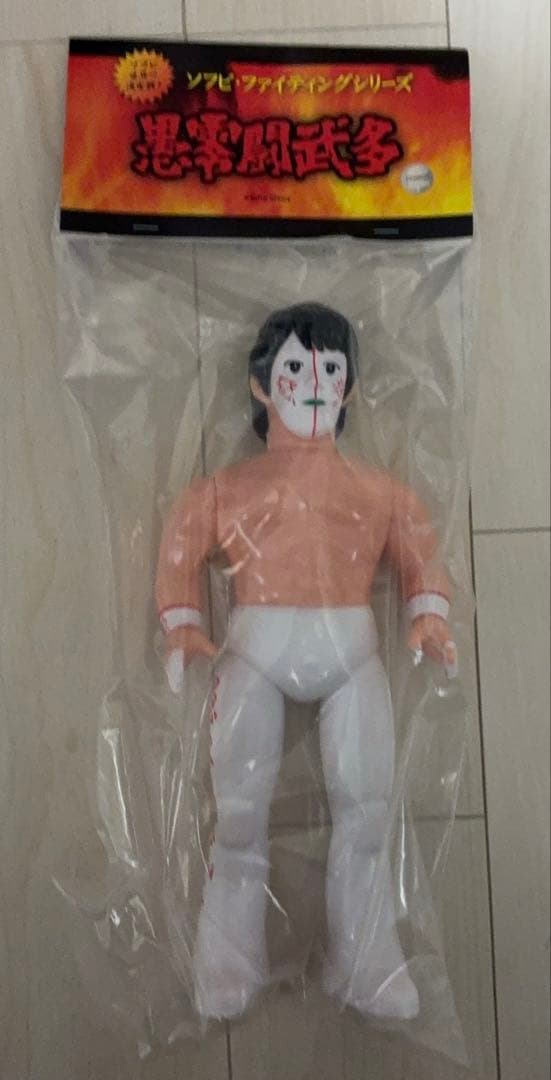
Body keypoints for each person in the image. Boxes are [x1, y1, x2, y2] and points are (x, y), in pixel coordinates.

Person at [156, 302, 457, 1021]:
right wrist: (183, 624)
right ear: (261, 385)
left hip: (351, 657)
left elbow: (417, 545)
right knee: (237, 818)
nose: (313, 384)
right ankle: (228, 961)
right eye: (294, 367)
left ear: (349, 385)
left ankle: (366, 962)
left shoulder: (376, 492)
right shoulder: (230, 489)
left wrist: (428, 612)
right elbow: (182, 539)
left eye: (329, 368)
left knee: (368, 817)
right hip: (252, 655)